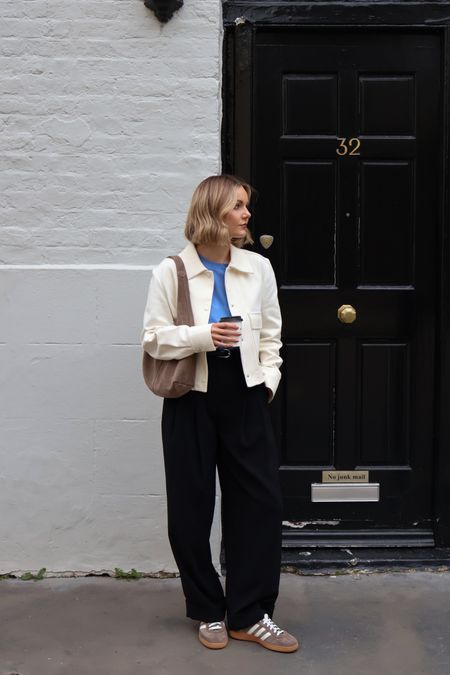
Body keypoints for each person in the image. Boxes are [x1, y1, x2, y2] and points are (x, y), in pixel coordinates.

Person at [141, 174, 298, 653]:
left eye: (246, 205)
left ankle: (250, 614)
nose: (246, 214)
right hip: (191, 396)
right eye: (237, 205)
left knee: (260, 505)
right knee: (190, 509)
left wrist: (268, 382)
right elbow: (153, 338)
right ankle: (208, 608)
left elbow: (271, 334)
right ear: (212, 211)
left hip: (246, 395)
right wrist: (203, 337)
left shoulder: (258, 268)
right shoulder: (171, 272)